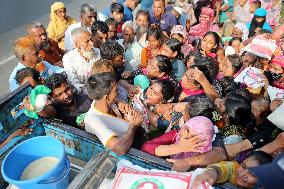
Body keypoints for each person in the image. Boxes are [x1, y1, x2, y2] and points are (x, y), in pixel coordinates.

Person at [84, 72, 143, 155]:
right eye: (116, 89)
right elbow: (119, 149)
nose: (118, 91)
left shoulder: (104, 101)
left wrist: (121, 104)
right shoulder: (93, 119)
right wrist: (133, 126)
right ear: (106, 97)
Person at [193, 151, 273, 188]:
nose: (242, 174)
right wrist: (211, 174)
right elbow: (225, 167)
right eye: (243, 166)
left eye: (252, 174)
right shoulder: (235, 168)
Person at [63, 27, 100, 94]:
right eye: (87, 41)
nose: (92, 43)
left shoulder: (98, 52)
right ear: (76, 45)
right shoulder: (69, 58)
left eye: (91, 39)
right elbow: (74, 83)